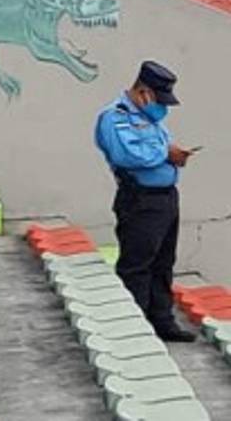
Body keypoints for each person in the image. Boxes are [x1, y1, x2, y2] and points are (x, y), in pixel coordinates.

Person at [94, 60, 197, 342]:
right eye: (159, 99)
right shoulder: (115, 117)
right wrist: (167, 153)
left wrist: (174, 155)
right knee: (137, 266)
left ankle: (162, 321)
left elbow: (154, 149)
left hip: (165, 199)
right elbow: (128, 155)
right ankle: (134, 330)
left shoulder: (151, 119)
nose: (162, 108)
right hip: (140, 201)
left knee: (163, 262)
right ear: (143, 93)